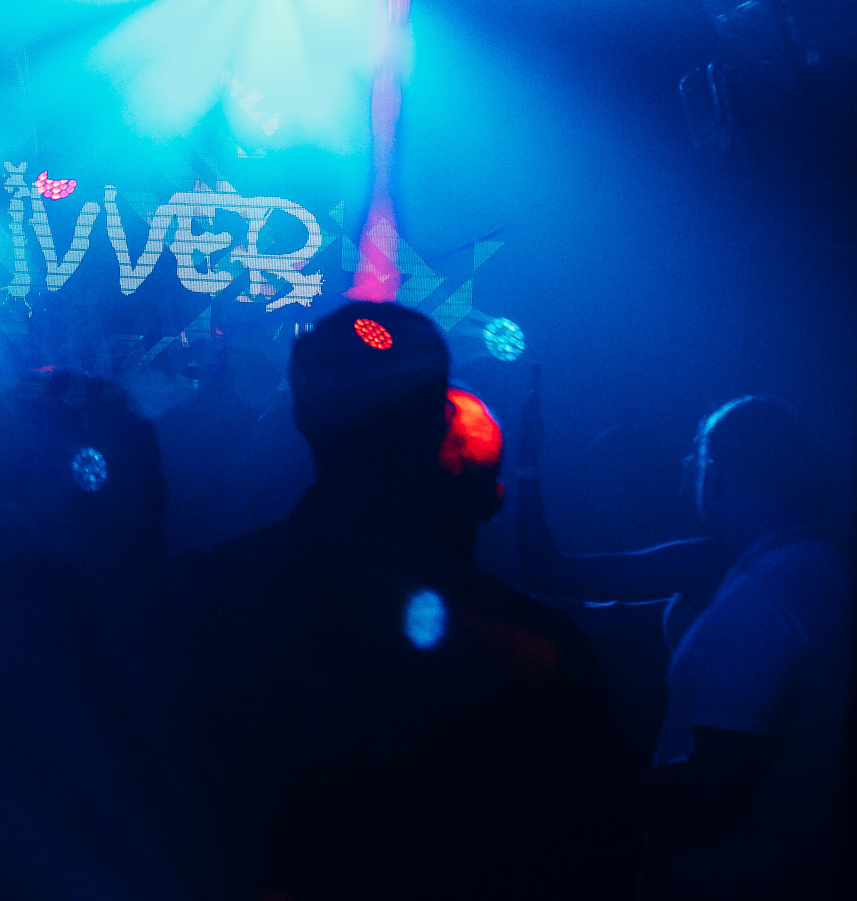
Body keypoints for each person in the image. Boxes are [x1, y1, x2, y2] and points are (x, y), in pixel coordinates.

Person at [179, 301, 635, 900]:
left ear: (302, 417)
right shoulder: (532, 646)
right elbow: (596, 855)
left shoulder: (207, 600)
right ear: (436, 430)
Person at [639, 396, 854, 900]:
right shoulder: (822, 565)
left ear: (714, 473)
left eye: (696, 461)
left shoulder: (765, 593)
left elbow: (715, 782)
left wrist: (584, 793)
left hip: (726, 875)